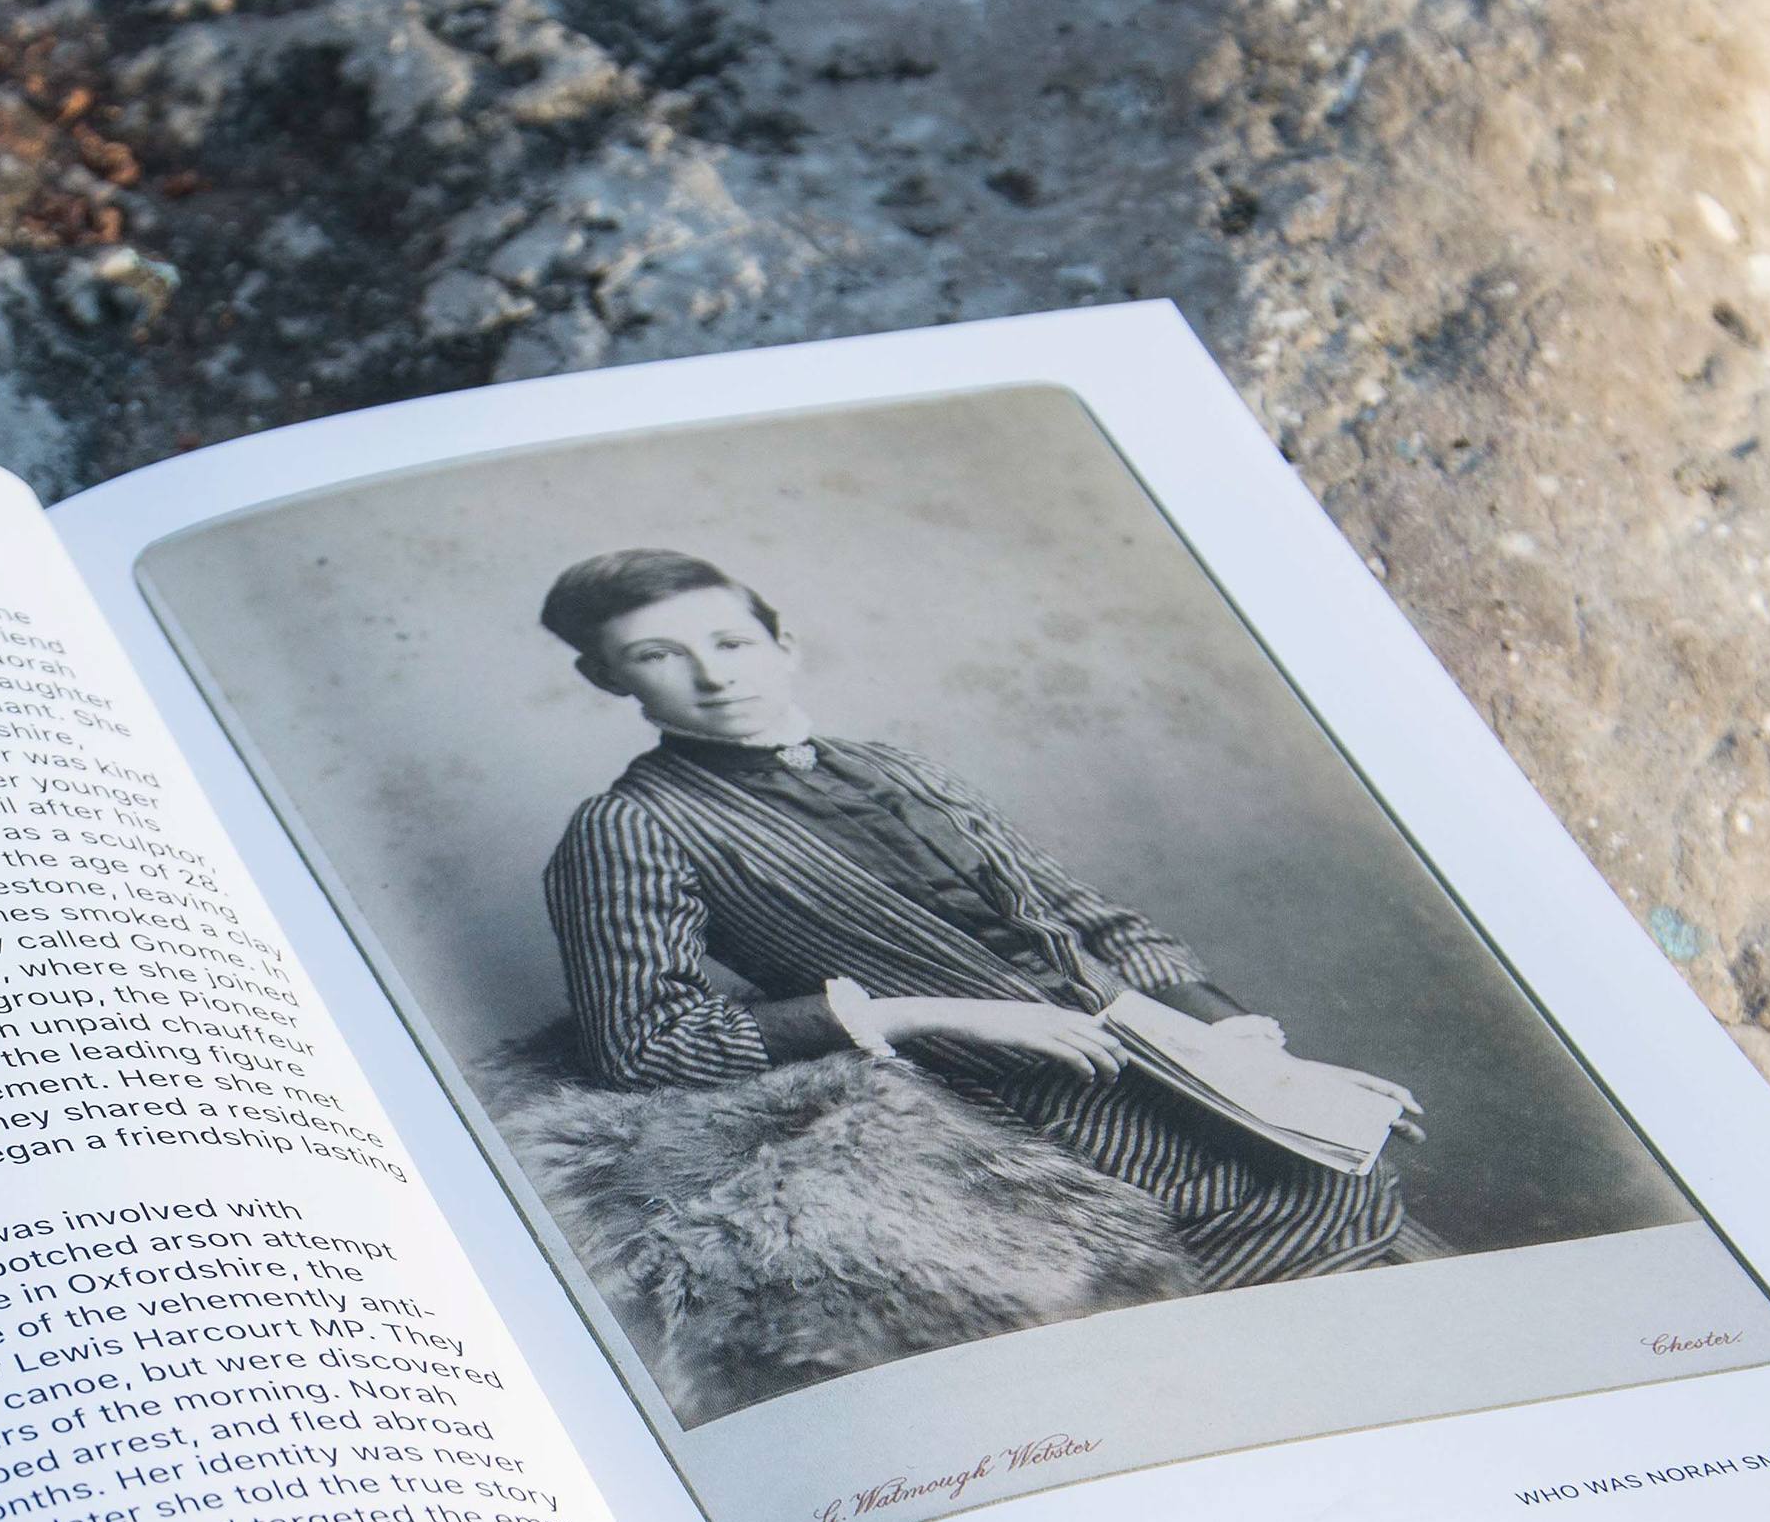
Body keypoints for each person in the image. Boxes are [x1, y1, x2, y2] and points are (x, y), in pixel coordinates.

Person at [536, 546, 1416, 1287]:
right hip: (1020, 1128)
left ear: (783, 644)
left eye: (732, 641)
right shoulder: (630, 825)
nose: (713, 673)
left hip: (1177, 1061)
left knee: (1360, 1197)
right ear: (604, 676)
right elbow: (643, 1046)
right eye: (657, 655)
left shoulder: (894, 766)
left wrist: (1249, 1051)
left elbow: (1085, 918)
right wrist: (932, 1015)